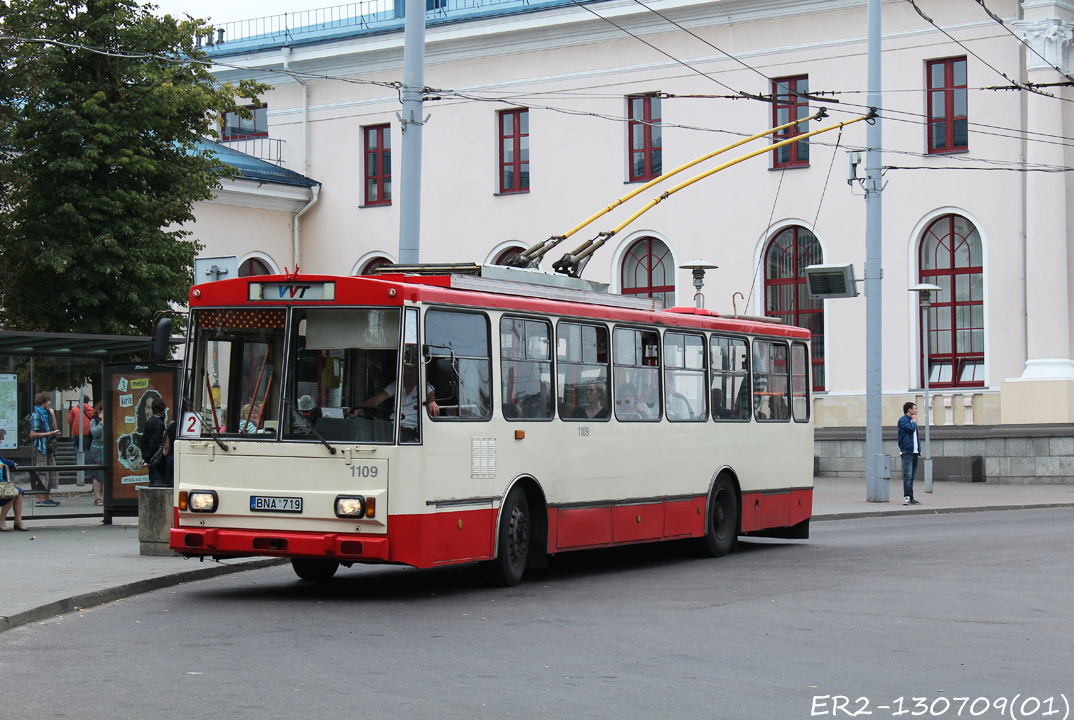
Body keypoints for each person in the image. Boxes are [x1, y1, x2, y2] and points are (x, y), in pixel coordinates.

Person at [354, 356, 440, 442]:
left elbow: (431, 395)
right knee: (370, 432)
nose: (411, 372)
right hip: (393, 426)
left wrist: (432, 402)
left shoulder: (425, 386)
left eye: (413, 369)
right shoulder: (396, 385)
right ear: (403, 370)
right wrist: (360, 408)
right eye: (407, 369)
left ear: (419, 371)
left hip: (411, 429)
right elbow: (377, 399)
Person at [30, 392, 62, 507]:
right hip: (40, 447)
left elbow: (54, 427)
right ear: (44, 402)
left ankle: (47, 496)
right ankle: (41, 498)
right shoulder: (36, 415)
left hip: (48, 447)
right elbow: (33, 434)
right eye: (48, 401)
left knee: (51, 471)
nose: (50, 402)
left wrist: (53, 415)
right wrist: (49, 433)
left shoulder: (47, 414)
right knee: (42, 472)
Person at [898, 401, 922, 506]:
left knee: (912, 476)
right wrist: (914, 421)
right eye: (915, 408)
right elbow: (910, 429)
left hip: (914, 452)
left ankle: (911, 497)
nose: (916, 410)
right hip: (907, 451)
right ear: (910, 410)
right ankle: (907, 497)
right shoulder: (903, 420)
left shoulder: (911, 421)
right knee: (908, 475)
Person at [138, 397, 167, 486]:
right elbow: (156, 443)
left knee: (152, 481)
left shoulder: (149, 422)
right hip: (156, 461)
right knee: (158, 483)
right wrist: (152, 458)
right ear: (162, 410)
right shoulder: (159, 424)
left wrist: (146, 457)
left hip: (149, 458)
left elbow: (143, 440)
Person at [0, 447, 27, 531]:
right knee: (12, 492)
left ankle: (18, 521)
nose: (0, 442)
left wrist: (12, 463)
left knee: (18, 492)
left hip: (2, 482)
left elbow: (4, 461)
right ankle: (1, 521)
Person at [88, 401, 105, 505]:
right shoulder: (94, 421)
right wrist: (102, 422)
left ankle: (106, 497)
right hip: (97, 449)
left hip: (106, 448)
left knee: (106, 475)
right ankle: (97, 497)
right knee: (97, 475)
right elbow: (95, 433)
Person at [161, 420, 177, 487]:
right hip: (181, 456)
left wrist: (162, 457)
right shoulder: (184, 425)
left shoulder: (171, 425)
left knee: (170, 480)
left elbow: (166, 446)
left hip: (170, 456)